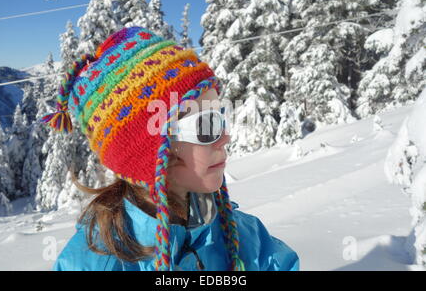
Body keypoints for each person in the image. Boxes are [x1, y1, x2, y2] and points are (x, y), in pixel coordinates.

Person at [41, 26, 300, 271]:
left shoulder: (244, 237)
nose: (225, 137)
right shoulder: (95, 262)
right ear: (149, 151)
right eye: (206, 124)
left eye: (222, 116)